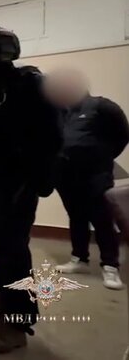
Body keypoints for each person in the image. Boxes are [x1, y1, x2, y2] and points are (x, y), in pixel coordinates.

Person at [0, 27, 63, 354]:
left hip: (19, 181)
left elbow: (52, 135)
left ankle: (17, 322)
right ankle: (5, 293)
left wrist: (38, 179)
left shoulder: (30, 84)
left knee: (13, 248)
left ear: (4, 54)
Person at [44, 68, 129, 290]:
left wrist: (103, 155)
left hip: (95, 174)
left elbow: (122, 134)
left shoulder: (102, 106)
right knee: (76, 216)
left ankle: (110, 266)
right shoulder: (60, 110)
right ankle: (79, 259)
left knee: (102, 218)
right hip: (65, 174)